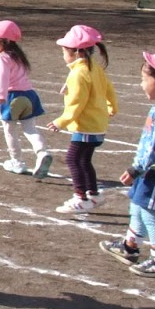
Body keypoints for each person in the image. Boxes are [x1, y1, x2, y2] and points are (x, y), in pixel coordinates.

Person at [101, 50, 155, 277]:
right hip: (151, 171)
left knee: (150, 213)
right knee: (137, 206)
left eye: (144, 79)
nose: (141, 85)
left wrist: (136, 169)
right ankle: (130, 246)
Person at [47, 24, 117, 215]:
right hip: (97, 123)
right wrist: (112, 106)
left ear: (76, 52)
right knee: (84, 160)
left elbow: (77, 103)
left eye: (64, 51)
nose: (63, 55)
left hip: (86, 125)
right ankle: (93, 194)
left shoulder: (79, 73)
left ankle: (80, 198)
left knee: (72, 159)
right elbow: (109, 88)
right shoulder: (93, 67)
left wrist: (61, 121)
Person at [0, 19, 53, 178]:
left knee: (10, 131)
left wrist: (0, 95)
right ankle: (42, 152)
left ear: (4, 41)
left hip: (12, 98)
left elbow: (3, 77)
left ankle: (17, 161)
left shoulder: (2, 58)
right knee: (30, 129)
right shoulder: (19, 56)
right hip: (29, 96)